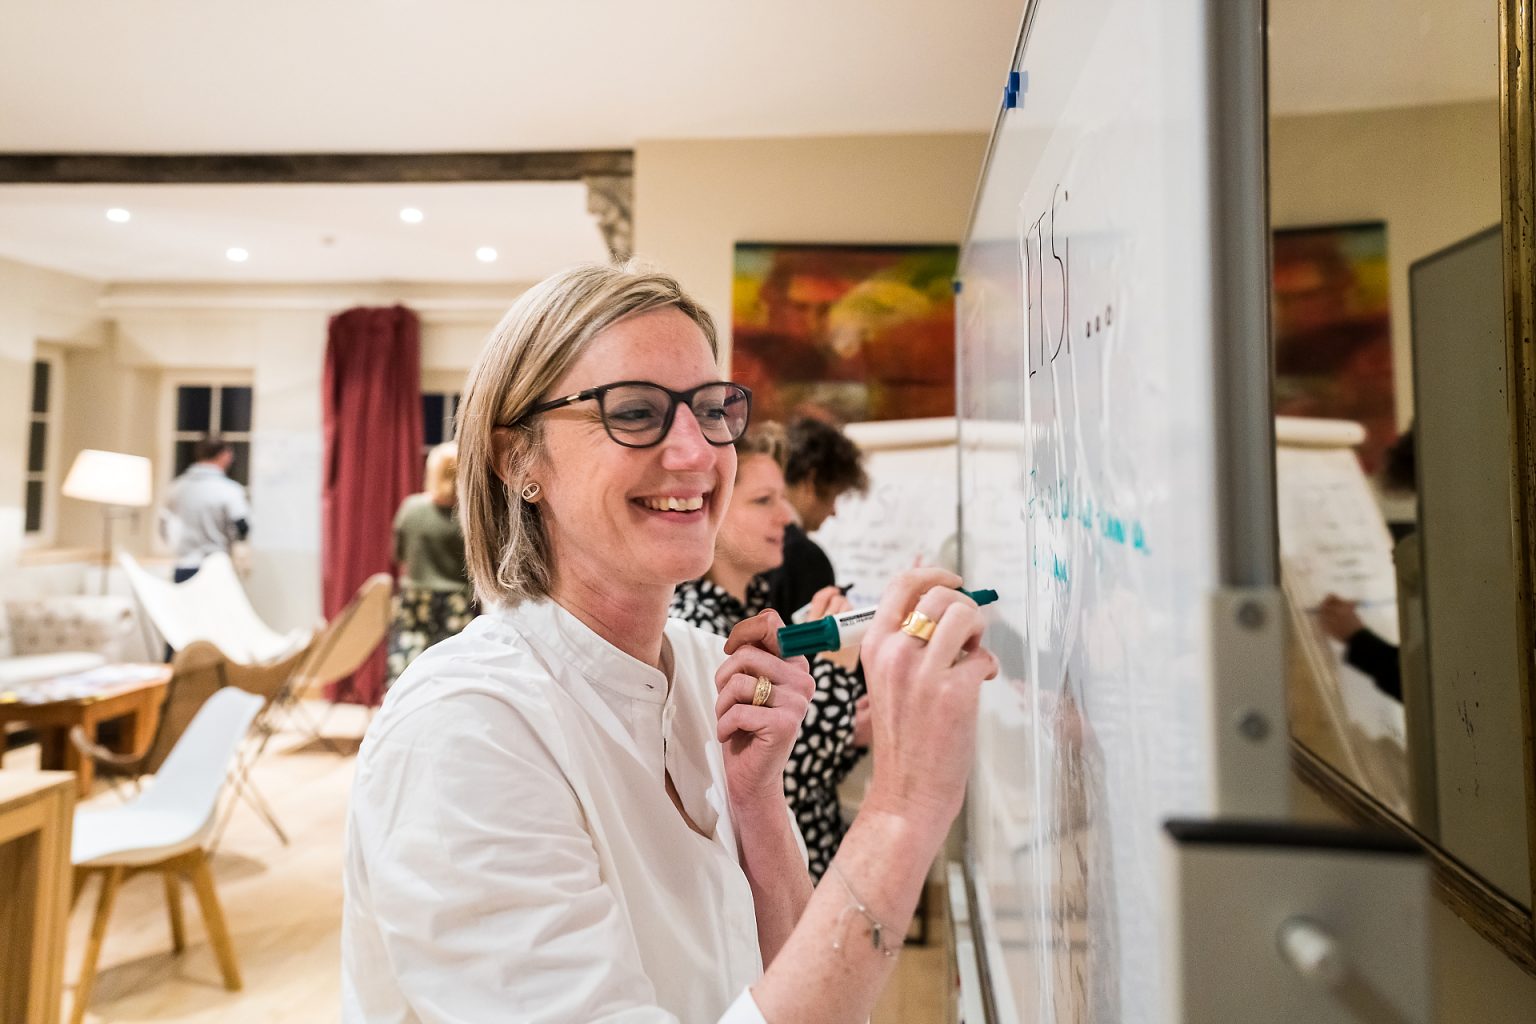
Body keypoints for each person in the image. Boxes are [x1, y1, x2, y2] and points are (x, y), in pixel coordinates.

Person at [341, 263, 997, 1024]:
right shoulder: (464, 731)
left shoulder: (701, 665)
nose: (697, 453)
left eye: (712, 409)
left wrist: (757, 811)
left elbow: (792, 988)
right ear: (517, 459)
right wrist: (901, 812)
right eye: (635, 411)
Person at [670, 422, 871, 882]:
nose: (787, 517)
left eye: (783, 498)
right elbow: (768, 782)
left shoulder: (755, 610)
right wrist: (838, 674)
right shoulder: (694, 627)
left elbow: (813, 767)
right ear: (710, 507)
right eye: (764, 501)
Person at [385, 442, 477, 690]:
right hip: (457, 602)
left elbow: (398, 554)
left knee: (407, 669)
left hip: (416, 598)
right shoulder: (469, 516)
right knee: (454, 673)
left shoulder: (412, 508)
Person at [763, 417, 869, 621]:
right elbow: (815, 651)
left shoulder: (741, 544)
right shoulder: (806, 557)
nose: (833, 512)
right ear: (811, 482)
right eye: (834, 495)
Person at [160, 436, 250, 583]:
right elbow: (242, 527)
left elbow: (163, 525)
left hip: (184, 566)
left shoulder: (177, 487)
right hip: (216, 568)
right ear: (224, 455)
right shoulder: (229, 490)